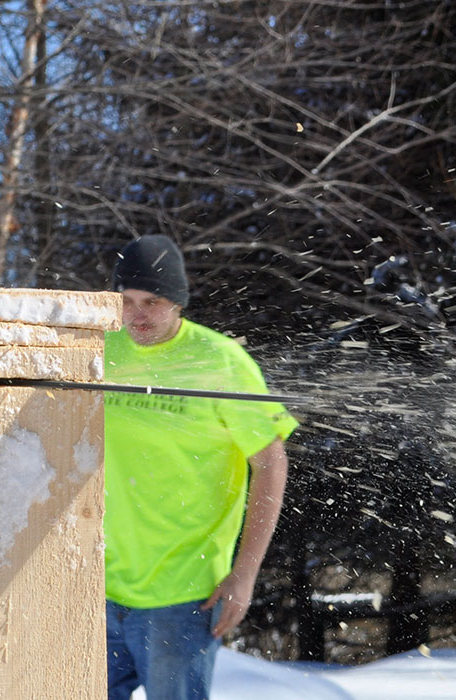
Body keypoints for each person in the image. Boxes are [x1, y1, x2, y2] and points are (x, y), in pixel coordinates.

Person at [101, 235, 299, 700]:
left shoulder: (220, 362)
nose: (138, 315)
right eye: (127, 301)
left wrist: (245, 573)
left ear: (179, 301)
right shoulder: (101, 350)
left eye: (152, 300)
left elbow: (270, 463)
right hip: (98, 586)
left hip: (183, 596)